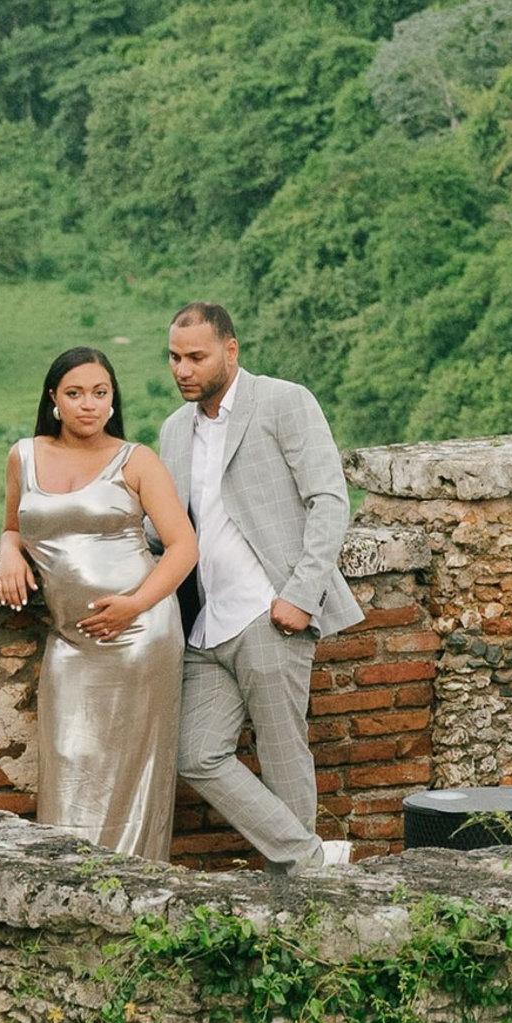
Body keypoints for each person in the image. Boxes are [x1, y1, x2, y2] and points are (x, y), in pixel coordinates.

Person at [157, 302, 359, 871]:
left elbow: (329, 499)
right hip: (205, 623)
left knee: (282, 753)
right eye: (174, 357)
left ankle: (302, 898)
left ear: (230, 349)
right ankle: (313, 860)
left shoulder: (283, 401)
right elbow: (164, 531)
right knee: (195, 754)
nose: (183, 369)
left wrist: (301, 594)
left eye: (196, 356)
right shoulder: (174, 431)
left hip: (270, 612)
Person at [0, 347, 198, 860]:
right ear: (54, 400)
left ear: (113, 400)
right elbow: (14, 526)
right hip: (70, 639)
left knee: (134, 770)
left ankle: (138, 891)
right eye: (75, 393)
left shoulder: (137, 460)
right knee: (69, 758)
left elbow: (183, 546)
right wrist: (7, 553)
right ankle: (66, 886)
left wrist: (134, 605)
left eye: (100, 393)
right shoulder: (24, 454)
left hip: (141, 635)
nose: (89, 404)